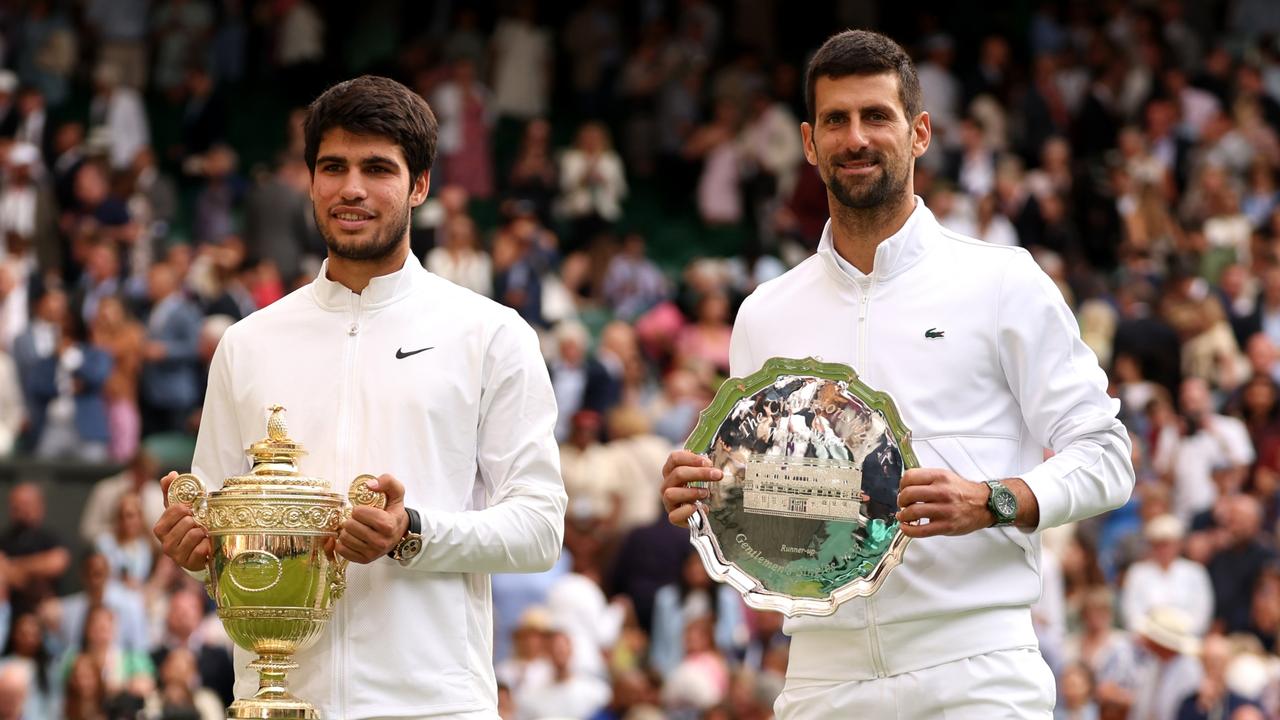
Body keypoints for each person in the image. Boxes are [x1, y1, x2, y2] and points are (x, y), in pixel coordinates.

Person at [660, 30, 1134, 718]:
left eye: (876, 116)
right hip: (824, 678)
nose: (856, 138)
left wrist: (993, 499)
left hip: (976, 670)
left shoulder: (1001, 280)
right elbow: (767, 503)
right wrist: (706, 494)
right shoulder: (765, 313)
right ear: (808, 142)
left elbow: (1108, 455)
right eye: (836, 120)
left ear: (918, 134)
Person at [151, 75, 567, 719]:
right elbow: (216, 529)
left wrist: (413, 531)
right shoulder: (247, 342)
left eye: (378, 168)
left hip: (433, 705)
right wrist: (189, 545)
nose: (352, 188)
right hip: (274, 700)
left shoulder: (491, 334)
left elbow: (539, 529)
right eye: (332, 167)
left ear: (419, 185)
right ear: (310, 180)